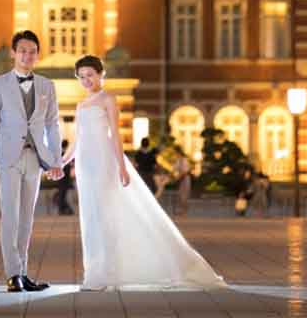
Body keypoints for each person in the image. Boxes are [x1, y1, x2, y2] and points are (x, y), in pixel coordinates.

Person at [62, 54, 224, 291]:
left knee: (104, 215)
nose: (86, 80)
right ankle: (95, 272)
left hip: (104, 162)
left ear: (100, 75)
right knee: (90, 217)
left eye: (90, 75)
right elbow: (78, 141)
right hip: (85, 166)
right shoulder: (81, 105)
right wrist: (62, 161)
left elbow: (115, 135)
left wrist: (121, 166)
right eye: (82, 76)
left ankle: (105, 273)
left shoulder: (108, 99)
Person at [0, 30, 63, 293]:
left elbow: (52, 124)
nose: (27, 55)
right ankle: (12, 274)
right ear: (14, 53)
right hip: (7, 160)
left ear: (38, 55)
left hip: (35, 159)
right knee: (10, 217)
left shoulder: (47, 86)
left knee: (27, 219)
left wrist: (55, 160)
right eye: (23, 50)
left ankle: (23, 273)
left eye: (32, 51)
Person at [55, 140, 75, 215]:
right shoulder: (64, 154)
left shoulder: (60, 153)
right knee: (62, 194)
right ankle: (61, 209)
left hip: (62, 179)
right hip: (63, 178)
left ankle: (62, 209)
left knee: (62, 194)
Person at [172, 147, 192, 217]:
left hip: (185, 179)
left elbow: (185, 171)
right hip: (181, 180)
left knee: (185, 196)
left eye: (176, 153)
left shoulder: (184, 160)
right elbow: (174, 169)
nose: (175, 155)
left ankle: (184, 212)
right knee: (180, 196)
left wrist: (178, 177)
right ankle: (182, 211)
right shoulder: (178, 161)